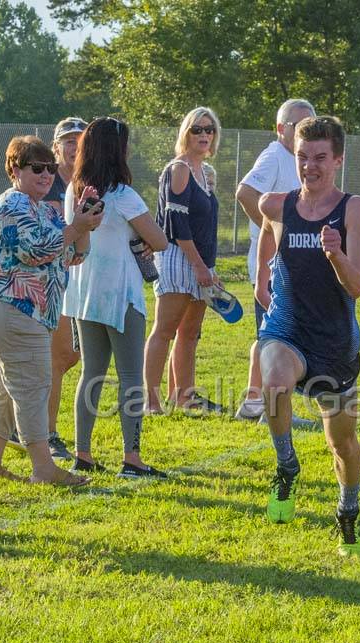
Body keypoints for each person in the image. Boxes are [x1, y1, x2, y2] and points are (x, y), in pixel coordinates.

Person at [257, 116, 360, 557]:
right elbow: (268, 225)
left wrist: (337, 254)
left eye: (320, 158)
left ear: (338, 159)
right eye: (303, 157)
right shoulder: (277, 204)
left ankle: (347, 510)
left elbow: (357, 285)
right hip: (287, 326)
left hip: (335, 341)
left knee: (341, 442)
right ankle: (286, 465)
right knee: (274, 381)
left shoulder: (353, 208)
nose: (310, 166)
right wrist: (262, 277)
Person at [0, 135, 102, 486]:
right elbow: (36, 250)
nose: (46, 175)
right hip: (10, 304)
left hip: (27, 311)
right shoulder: (12, 203)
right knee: (33, 384)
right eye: (36, 168)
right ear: (15, 169)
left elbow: (74, 256)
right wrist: (75, 228)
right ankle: (43, 467)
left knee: (9, 384)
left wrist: (84, 222)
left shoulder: (44, 209)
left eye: (49, 168)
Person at [63, 117, 170, 478]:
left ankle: (83, 453)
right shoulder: (123, 195)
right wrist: (137, 241)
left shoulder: (73, 191)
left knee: (91, 372)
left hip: (83, 292)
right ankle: (132, 457)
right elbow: (159, 241)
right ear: (117, 150)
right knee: (130, 377)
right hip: (120, 293)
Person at [233, 98, 315, 424]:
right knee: (280, 339)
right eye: (299, 126)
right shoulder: (276, 156)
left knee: (268, 334)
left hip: (287, 267)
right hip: (274, 267)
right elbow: (244, 192)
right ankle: (275, 410)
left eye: (311, 125)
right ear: (282, 129)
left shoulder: (296, 159)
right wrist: (277, 237)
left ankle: (253, 403)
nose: (306, 132)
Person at [144, 107, 224, 414]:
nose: (204, 135)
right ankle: (150, 401)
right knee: (165, 329)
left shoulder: (206, 173)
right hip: (179, 259)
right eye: (197, 130)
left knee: (190, 332)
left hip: (202, 262)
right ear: (185, 134)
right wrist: (199, 266)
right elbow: (177, 225)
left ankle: (184, 396)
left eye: (209, 129)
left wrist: (210, 268)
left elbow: (206, 226)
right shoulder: (178, 169)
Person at [42, 116, 88, 460]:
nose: (75, 147)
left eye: (81, 140)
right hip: (47, 281)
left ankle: (26, 421)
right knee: (58, 357)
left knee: (70, 355)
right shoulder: (46, 181)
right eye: (68, 141)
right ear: (56, 147)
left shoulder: (87, 183)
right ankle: (47, 432)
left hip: (78, 281)